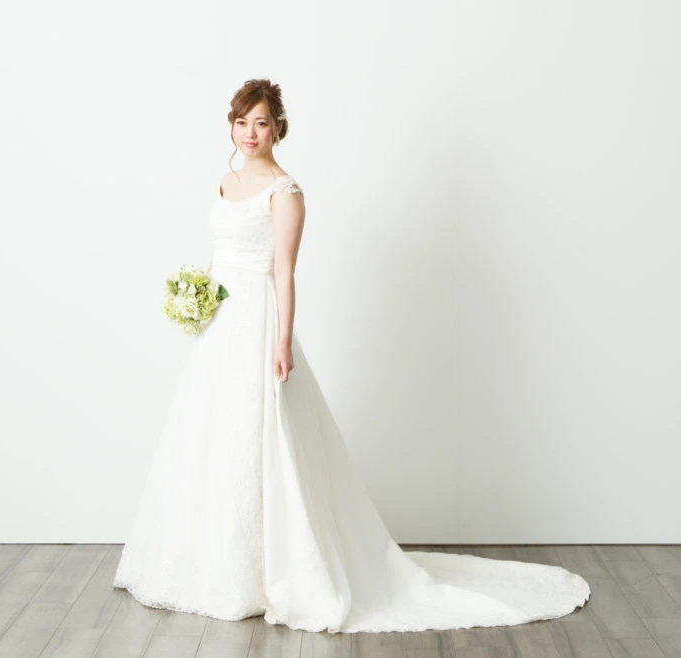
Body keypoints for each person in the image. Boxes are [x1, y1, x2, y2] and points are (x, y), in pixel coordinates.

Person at [113, 78, 590, 633]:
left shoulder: (285, 192)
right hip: (218, 324)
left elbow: (284, 272)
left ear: (278, 128)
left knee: (257, 437)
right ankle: (210, 566)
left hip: (257, 322)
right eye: (241, 122)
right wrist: (195, 296)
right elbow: (220, 257)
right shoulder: (224, 183)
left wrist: (282, 341)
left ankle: (272, 573)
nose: (250, 133)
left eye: (261, 123)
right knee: (209, 437)